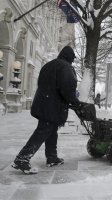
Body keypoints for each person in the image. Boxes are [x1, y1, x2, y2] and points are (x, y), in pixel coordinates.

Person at [12, 46, 80, 174]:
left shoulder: (49, 65)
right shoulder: (65, 67)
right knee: (43, 131)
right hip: (52, 106)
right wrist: (75, 101)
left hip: (43, 102)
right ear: (69, 57)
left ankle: (52, 157)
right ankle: (22, 158)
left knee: (51, 129)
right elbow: (67, 89)